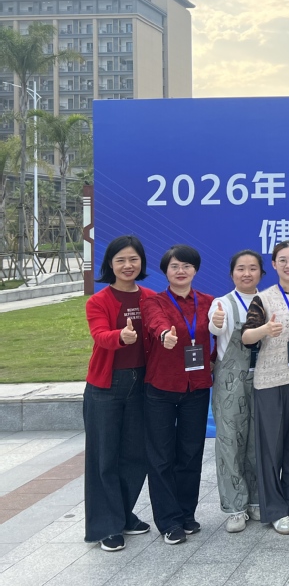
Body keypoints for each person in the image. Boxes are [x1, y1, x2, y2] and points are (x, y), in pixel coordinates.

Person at [241, 241, 289, 535]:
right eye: (282, 260)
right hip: (271, 382)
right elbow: (246, 337)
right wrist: (264, 330)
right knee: (271, 449)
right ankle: (275, 510)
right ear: (273, 265)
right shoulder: (262, 298)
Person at [83, 235, 155, 552]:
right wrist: (121, 336)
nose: (128, 265)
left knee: (136, 455)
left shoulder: (150, 298)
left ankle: (124, 515)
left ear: (141, 263)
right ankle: (105, 526)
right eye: (121, 260)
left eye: (133, 259)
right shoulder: (98, 301)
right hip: (106, 386)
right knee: (104, 457)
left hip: (142, 384)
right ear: (110, 264)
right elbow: (100, 334)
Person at [139, 244, 214, 545]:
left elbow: (219, 336)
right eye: (174, 266)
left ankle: (186, 513)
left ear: (195, 270)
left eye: (186, 266)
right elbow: (155, 323)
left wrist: (214, 355)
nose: (181, 271)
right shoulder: (153, 302)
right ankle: (168, 521)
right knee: (160, 456)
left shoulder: (209, 303)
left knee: (191, 453)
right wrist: (164, 335)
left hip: (197, 388)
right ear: (165, 271)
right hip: (161, 387)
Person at [208, 250, 264, 533]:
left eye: (253, 268)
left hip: (263, 378)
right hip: (231, 381)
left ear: (261, 273)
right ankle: (234, 507)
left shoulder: (267, 301)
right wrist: (216, 323)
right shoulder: (222, 303)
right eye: (241, 268)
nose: (247, 273)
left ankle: (256, 499)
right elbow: (214, 325)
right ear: (232, 273)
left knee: (258, 441)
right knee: (230, 443)